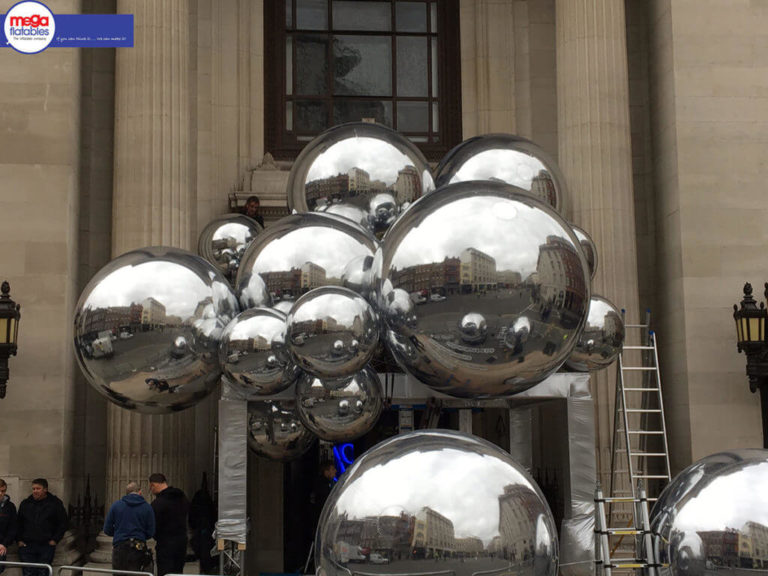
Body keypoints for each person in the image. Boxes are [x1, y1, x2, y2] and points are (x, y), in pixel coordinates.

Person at [16, 479, 67, 576]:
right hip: (27, 545)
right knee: (28, 572)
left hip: (46, 545)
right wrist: (19, 540)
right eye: (33, 488)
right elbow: (18, 523)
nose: (35, 491)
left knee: (43, 572)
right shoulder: (25, 503)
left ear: (45, 490)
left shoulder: (55, 504)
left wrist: (55, 540)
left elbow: (63, 523)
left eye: (38, 488)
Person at [103, 481, 155, 573]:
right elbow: (151, 531)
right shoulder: (147, 507)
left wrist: (118, 532)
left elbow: (107, 529)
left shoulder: (116, 506)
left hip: (120, 546)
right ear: (139, 492)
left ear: (126, 493)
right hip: (139, 546)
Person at [149, 473, 189, 576]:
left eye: (150, 487)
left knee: (165, 572)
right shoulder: (182, 498)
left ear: (153, 485)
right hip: (181, 543)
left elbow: (153, 526)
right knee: (178, 572)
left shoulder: (157, 503)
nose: (150, 490)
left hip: (165, 544)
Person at [188, 482, 216, 575]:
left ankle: (204, 569)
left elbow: (191, 517)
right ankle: (207, 569)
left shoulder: (196, 502)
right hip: (207, 530)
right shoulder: (208, 503)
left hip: (199, 530)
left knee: (201, 550)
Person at [0, 479, 17, 574]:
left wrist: (4, 543)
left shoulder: (10, 507)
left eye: (3, 491)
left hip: (1, 546)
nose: (0, 493)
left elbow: (13, 527)